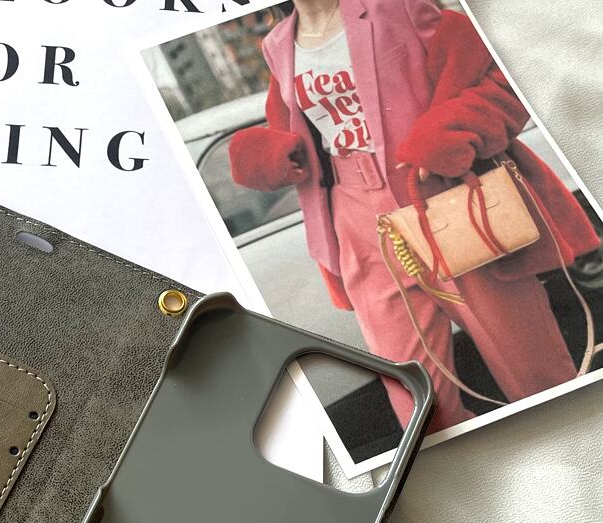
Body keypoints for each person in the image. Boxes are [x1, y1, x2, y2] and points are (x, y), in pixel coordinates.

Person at [230, 0, 599, 432]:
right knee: (419, 406)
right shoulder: (277, 44)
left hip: (444, 197)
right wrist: (263, 156)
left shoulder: (396, 5)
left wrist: (451, 130)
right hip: (355, 220)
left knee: (535, 373)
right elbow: (288, 132)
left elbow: (505, 74)